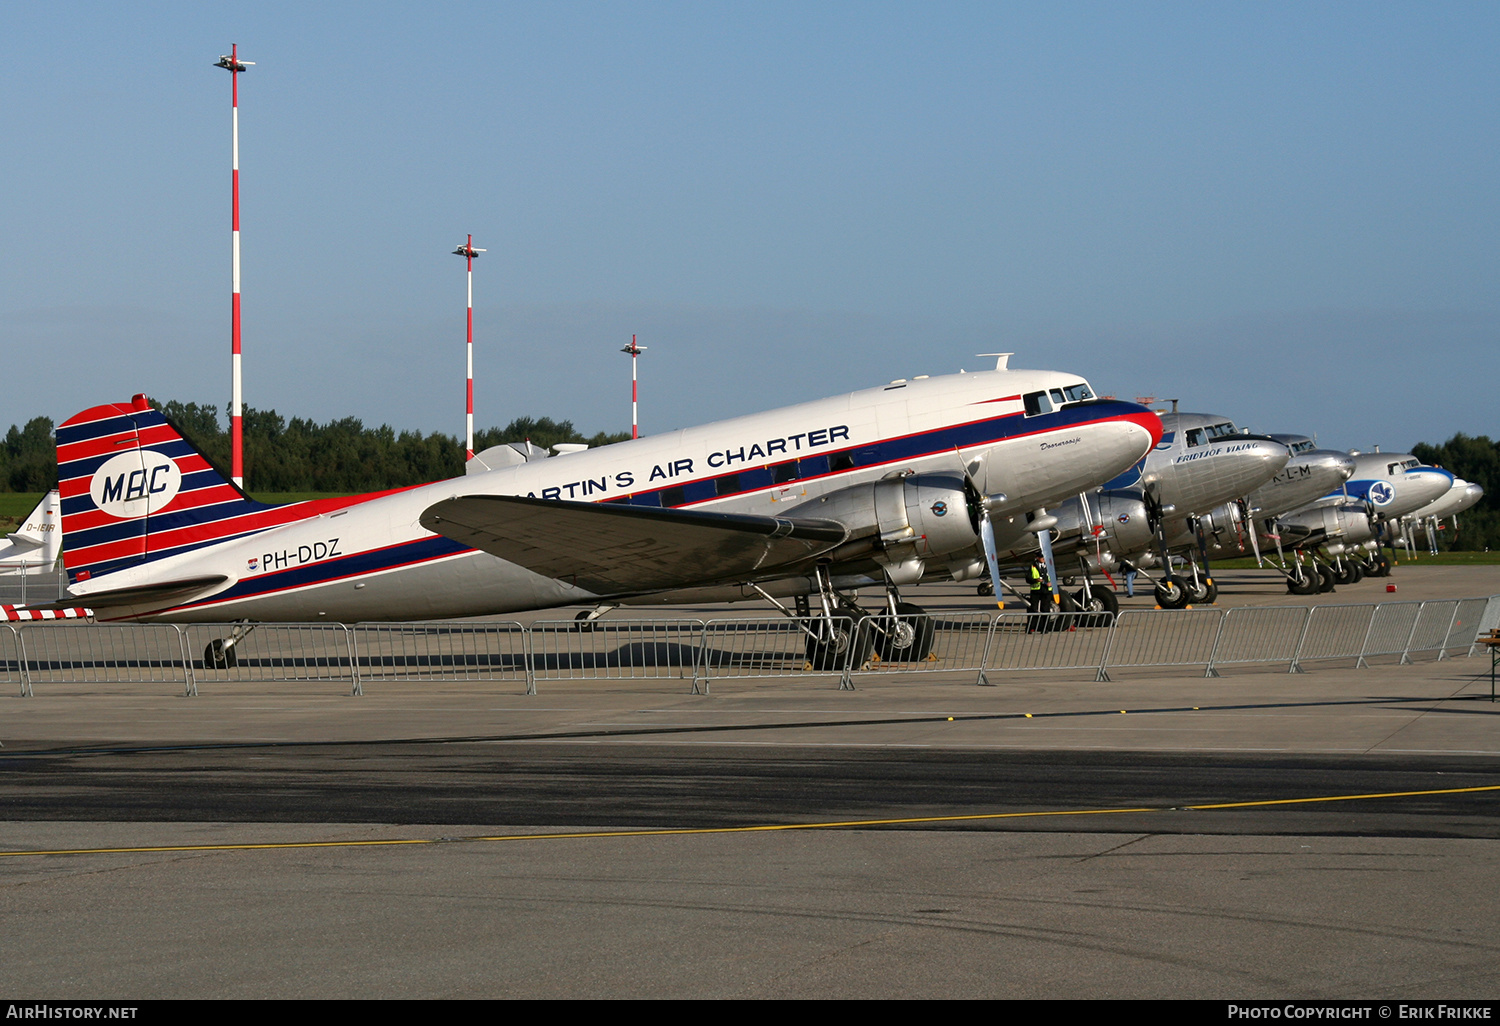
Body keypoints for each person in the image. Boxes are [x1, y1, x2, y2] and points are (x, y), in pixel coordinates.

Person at [1026, 555, 1054, 633]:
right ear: (1037, 558)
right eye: (1042, 557)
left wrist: (1051, 582)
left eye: (1044, 557)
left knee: (1046, 609)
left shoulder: (1049, 566)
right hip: (1036, 590)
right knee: (1033, 609)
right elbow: (1028, 578)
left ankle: (1045, 628)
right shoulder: (1033, 566)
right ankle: (1031, 628)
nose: (1043, 559)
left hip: (1046, 590)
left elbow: (1055, 576)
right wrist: (1036, 580)